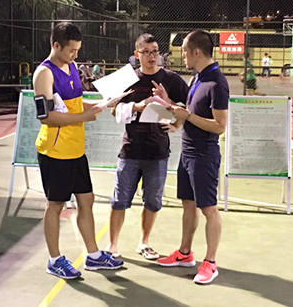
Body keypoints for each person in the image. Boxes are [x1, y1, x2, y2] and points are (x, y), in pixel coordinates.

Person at [33, 22, 123, 280]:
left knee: (87, 200)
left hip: (75, 149)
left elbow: (72, 104)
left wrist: (98, 105)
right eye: (71, 50)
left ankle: (93, 256)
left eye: (77, 50)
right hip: (55, 151)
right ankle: (54, 259)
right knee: (55, 205)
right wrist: (84, 116)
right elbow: (46, 117)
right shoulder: (44, 74)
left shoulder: (71, 67)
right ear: (56, 45)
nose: (75, 55)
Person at [156, 30, 228, 285]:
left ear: (196, 52)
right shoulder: (197, 78)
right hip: (187, 152)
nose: (182, 55)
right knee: (188, 203)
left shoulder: (217, 82)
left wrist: (187, 117)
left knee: (208, 208)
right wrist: (169, 105)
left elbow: (220, 126)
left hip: (204, 154)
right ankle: (185, 253)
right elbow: (189, 111)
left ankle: (210, 262)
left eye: (185, 51)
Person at [107, 33, 188, 260]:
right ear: (137, 54)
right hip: (130, 149)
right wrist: (137, 107)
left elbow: (189, 105)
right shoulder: (127, 79)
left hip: (158, 151)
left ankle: (144, 243)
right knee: (119, 200)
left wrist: (177, 123)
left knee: (153, 201)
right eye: (146, 52)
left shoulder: (171, 79)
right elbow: (113, 109)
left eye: (155, 52)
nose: (152, 57)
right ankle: (112, 246)